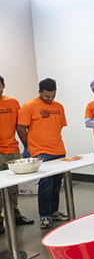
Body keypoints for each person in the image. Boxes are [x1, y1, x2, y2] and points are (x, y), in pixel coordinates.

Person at [17, 78, 68, 229]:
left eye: (53, 95)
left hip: (58, 150)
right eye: (47, 96)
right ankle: (44, 216)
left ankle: (54, 211)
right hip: (40, 152)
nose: (50, 99)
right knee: (45, 183)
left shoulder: (59, 106)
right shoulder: (29, 106)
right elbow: (21, 129)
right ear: (39, 92)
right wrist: (30, 147)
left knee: (57, 182)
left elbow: (59, 127)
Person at [0, 75, 34, 234]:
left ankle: (15, 215)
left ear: (3, 85)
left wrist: (28, 147)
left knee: (13, 186)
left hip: (12, 150)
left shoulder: (13, 103)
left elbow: (21, 126)